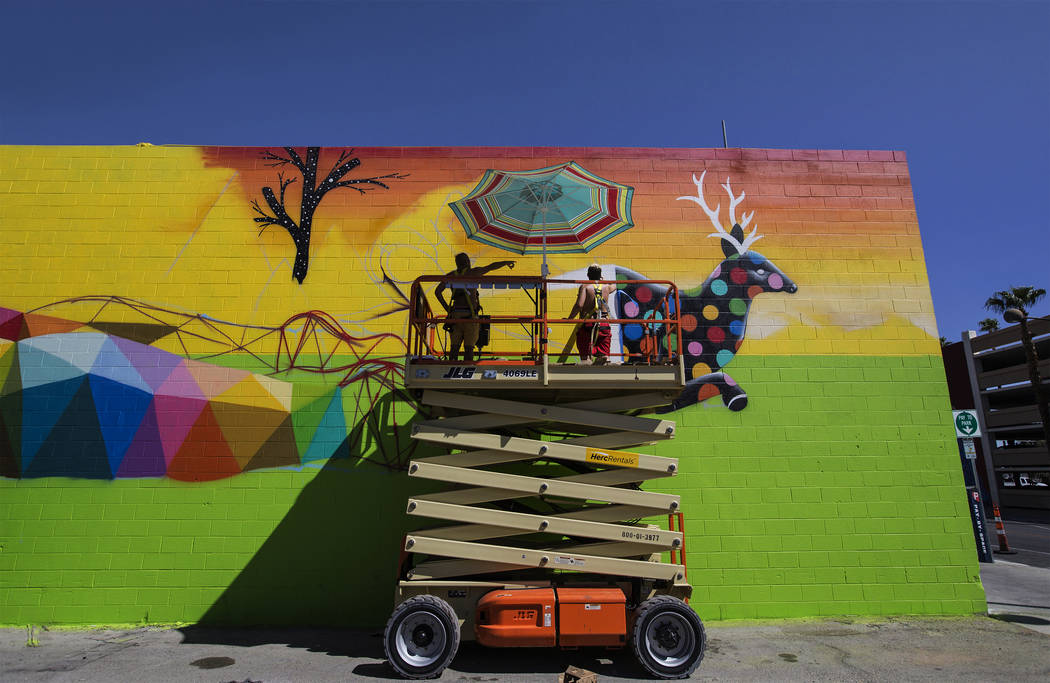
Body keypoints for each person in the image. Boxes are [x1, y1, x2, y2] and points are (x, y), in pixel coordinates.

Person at [435, 253, 515, 362]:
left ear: (457, 263)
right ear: (467, 262)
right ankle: (468, 369)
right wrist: (505, 263)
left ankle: (451, 369)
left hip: (455, 316)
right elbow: (491, 267)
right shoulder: (473, 273)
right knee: (469, 348)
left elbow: (437, 291)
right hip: (470, 316)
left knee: (454, 348)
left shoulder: (451, 275)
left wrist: (448, 309)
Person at [567, 264, 613, 365]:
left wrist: (570, 318)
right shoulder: (607, 287)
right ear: (600, 275)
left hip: (588, 324)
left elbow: (579, 305)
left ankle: (587, 362)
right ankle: (603, 360)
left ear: (588, 275)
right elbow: (614, 286)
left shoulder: (585, 286)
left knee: (585, 357)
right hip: (604, 324)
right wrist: (602, 279)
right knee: (604, 354)